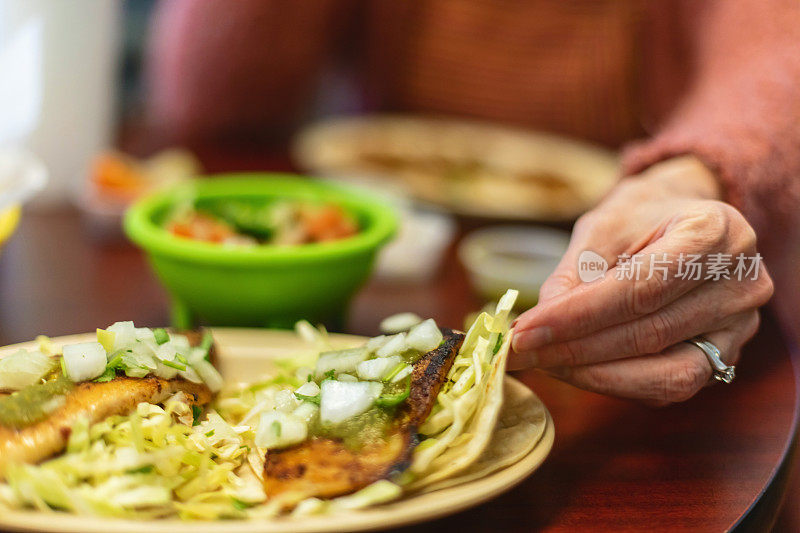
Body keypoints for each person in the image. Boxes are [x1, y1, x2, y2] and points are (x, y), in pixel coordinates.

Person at [144, 0, 800, 404]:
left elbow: (777, 53)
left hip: (627, 269)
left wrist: (689, 179)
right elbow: (213, 103)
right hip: (399, 265)